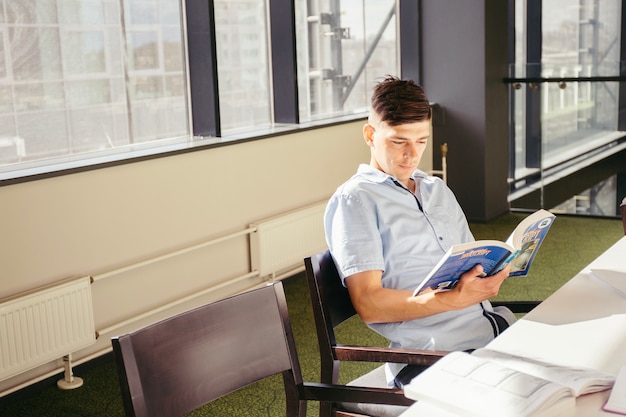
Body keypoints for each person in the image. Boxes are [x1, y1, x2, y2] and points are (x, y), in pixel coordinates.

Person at [324, 75, 514, 388]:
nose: (412, 155)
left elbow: (473, 262)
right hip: (428, 356)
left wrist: (495, 270)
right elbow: (369, 304)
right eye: (399, 141)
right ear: (370, 135)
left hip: (490, 332)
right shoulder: (355, 199)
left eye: (421, 141)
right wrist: (453, 300)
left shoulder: (436, 189)